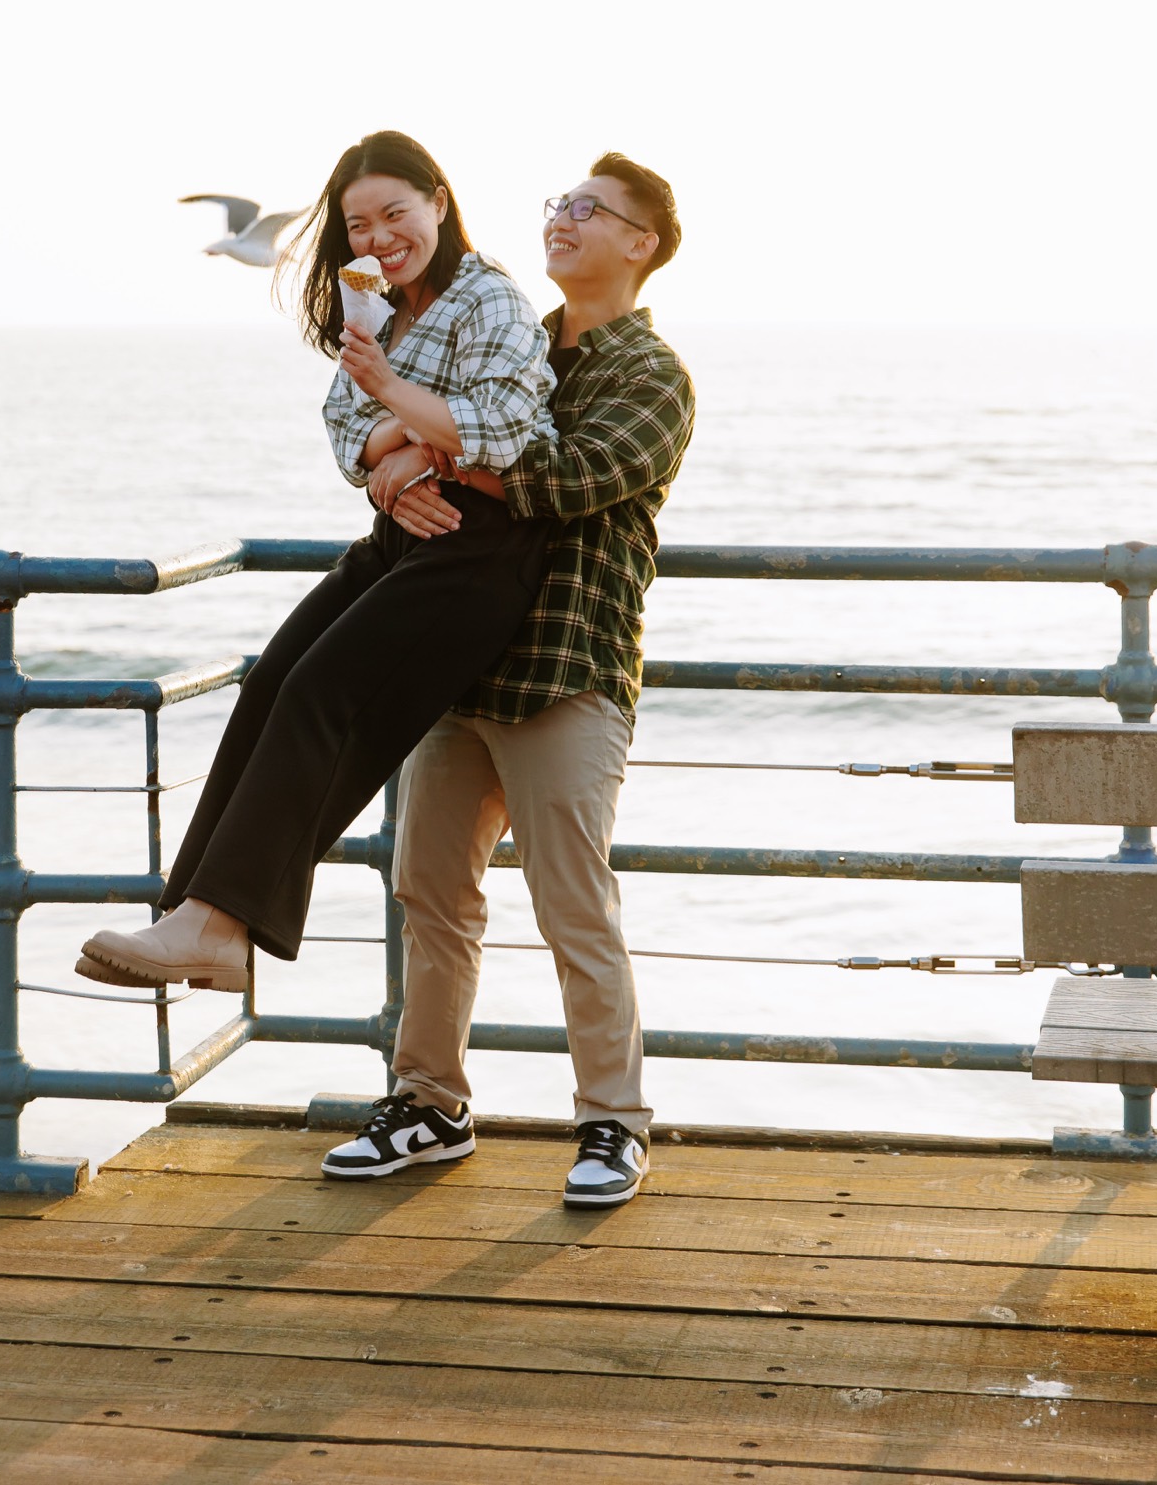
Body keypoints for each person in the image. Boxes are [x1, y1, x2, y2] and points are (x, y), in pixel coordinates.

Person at [76, 131, 556, 995]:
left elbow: (507, 431)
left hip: (480, 545)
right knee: (271, 683)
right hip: (404, 530)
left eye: (395, 214)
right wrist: (399, 454)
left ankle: (220, 924)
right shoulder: (375, 303)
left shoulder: (493, 300)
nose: (377, 237)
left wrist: (401, 424)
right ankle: (194, 915)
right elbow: (344, 426)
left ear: (439, 204)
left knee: (320, 693)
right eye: (357, 223)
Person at [319, 154, 694, 1209]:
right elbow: (412, 428)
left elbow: (565, 476)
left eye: (590, 209)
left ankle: (614, 1121)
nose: (563, 219)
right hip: (459, 663)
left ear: (641, 242)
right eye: (559, 204)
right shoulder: (510, 331)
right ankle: (429, 1101)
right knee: (428, 892)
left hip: (568, 666)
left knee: (575, 902)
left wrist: (419, 447)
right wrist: (406, 453)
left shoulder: (653, 377)